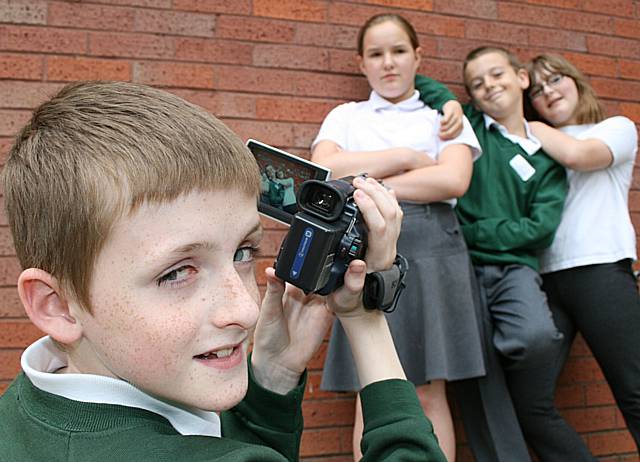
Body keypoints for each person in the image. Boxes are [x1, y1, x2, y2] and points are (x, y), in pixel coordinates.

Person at [0, 81, 448, 462]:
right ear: (57, 306)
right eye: (177, 273)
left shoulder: (27, 406)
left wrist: (270, 376)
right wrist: (362, 315)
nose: (245, 310)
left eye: (243, 251)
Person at [311, 13, 485, 461]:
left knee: (428, 392)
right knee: (375, 393)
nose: (388, 63)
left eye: (398, 51)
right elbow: (327, 170)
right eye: (376, 54)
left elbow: (453, 181)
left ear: (417, 57)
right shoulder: (346, 116)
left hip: (433, 250)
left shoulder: (444, 119)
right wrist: (407, 157)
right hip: (361, 249)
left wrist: (367, 178)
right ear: (362, 63)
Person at [416, 46, 568, 462]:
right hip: (460, 268)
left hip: (513, 270)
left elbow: (540, 229)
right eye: (477, 84)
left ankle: (524, 397)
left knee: (534, 335)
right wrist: (448, 99)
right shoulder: (470, 129)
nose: (488, 86)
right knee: (479, 380)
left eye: (497, 75)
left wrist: (475, 230)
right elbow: (422, 84)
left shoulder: (547, 158)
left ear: (522, 78)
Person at [514, 53, 640, 461]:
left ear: (576, 81)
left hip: (601, 273)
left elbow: (580, 156)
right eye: (537, 89)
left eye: (555, 80)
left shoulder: (615, 128)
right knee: (529, 404)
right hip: (544, 282)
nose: (548, 92)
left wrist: (527, 126)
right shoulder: (531, 148)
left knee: (635, 392)